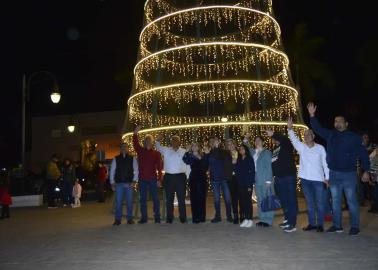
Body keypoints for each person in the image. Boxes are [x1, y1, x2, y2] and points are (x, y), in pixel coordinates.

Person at [307, 102, 370, 236]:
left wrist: (366, 170)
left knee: (351, 201)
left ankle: (355, 226)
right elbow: (318, 129)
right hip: (334, 174)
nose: (337, 123)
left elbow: (364, 154)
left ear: (346, 124)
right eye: (336, 121)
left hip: (349, 175)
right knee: (335, 201)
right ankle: (337, 225)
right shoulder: (331, 135)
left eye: (340, 121)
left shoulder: (354, 138)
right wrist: (312, 115)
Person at [287, 117, 329, 232]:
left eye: (308, 135)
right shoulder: (302, 147)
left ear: (313, 136)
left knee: (320, 203)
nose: (306, 137)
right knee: (310, 204)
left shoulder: (320, 148)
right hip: (305, 179)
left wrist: (327, 178)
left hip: (318, 180)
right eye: (305, 135)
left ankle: (320, 224)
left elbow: (326, 163)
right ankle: (311, 223)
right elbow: (294, 140)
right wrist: (290, 128)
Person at [266, 129, 298, 232]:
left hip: (288, 177)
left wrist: (273, 133)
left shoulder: (286, 145)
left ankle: (292, 223)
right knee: (284, 200)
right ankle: (287, 219)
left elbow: (285, 139)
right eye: (273, 138)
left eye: (274, 138)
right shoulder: (275, 150)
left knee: (291, 200)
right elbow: (274, 164)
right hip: (279, 178)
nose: (273, 140)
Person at [243, 134, 275, 227]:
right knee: (260, 200)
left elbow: (269, 167)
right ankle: (262, 219)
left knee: (267, 200)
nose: (257, 142)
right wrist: (246, 138)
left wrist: (269, 180)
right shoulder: (254, 152)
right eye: (256, 140)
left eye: (259, 140)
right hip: (257, 179)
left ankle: (268, 220)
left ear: (263, 142)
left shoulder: (267, 152)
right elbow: (246, 146)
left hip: (265, 179)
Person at [156, 134, 189, 223]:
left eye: (176, 140)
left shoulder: (184, 151)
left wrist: (188, 176)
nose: (174, 141)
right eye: (173, 140)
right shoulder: (166, 150)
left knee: (181, 198)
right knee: (169, 198)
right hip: (169, 177)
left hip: (180, 177)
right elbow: (157, 146)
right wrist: (158, 140)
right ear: (171, 142)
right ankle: (169, 217)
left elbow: (188, 164)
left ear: (179, 142)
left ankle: (183, 217)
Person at [133, 126, 163, 224]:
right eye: (146, 140)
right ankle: (144, 218)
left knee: (155, 199)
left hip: (153, 179)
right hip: (142, 179)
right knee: (143, 199)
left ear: (152, 142)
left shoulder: (156, 154)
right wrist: (135, 133)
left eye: (149, 140)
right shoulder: (140, 151)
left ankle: (157, 217)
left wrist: (159, 179)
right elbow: (135, 144)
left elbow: (159, 168)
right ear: (144, 142)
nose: (148, 142)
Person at [204, 137, 232, 223]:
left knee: (227, 198)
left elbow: (221, 157)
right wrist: (206, 155)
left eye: (214, 141)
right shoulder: (208, 152)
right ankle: (218, 216)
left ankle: (229, 216)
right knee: (216, 199)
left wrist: (216, 147)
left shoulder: (223, 151)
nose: (213, 142)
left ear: (218, 142)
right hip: (214, 179)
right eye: (211, 141)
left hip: (223, 178)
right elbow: (205, 165)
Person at [110, 143, 138, 225]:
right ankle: (117, 220)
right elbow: (112, 171)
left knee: (129, 202)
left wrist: (134, 181)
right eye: (122, 147)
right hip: (119, 184)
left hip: (129, 184)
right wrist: (112, 182)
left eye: (125, 147)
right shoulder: (116, 159)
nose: (124, 148)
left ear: (128, 149)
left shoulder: (132, 159)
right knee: (118, 203)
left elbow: (136, 170)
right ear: (120, 149)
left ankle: (130, 219)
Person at [183, 142, 208, 223]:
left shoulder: (203, 155)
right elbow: (185, 160)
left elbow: (206, 166)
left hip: (202, 178)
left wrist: (207, 155)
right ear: (191, 147)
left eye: (196, 145)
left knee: (202, 198)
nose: (194, 147)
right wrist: (186, 151)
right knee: (194, 199)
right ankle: (196, 218)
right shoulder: (189, 155)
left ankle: (202, 217)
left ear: (199, 147)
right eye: (193, 145)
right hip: (194, 178)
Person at [233, 144, 255, 228]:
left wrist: (250, 184)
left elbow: (252, 172)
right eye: (240, 149)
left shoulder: (250, 159)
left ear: (246, 150)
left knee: (248, 202)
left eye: (243, 149)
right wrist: (234, 164)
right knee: (243, 202)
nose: (241, 150)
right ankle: (246, 218)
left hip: (248, 183)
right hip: (241, 184)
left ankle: (250, 219)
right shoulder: (238, 159)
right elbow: (237, 171)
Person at [225, 139, 241, 224]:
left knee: (241, 197)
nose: (230, 145)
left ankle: (242, 215)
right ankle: (235, 216)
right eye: (228, 144)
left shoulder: (240, 152)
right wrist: (231, 163)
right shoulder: (226, 155)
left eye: (231, 144)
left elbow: (243, 164)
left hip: (239, 178)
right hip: (230, 179)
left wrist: (236, 162)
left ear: (235, 144)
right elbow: (225, 166)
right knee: (233, 198)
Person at [368, 147, 378, 213]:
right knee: (374, 193)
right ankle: (374, 207)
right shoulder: (375, 152)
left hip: (375, 177)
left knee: (374, 194)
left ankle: (375, 208)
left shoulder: (375, 152)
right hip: (374, 177)